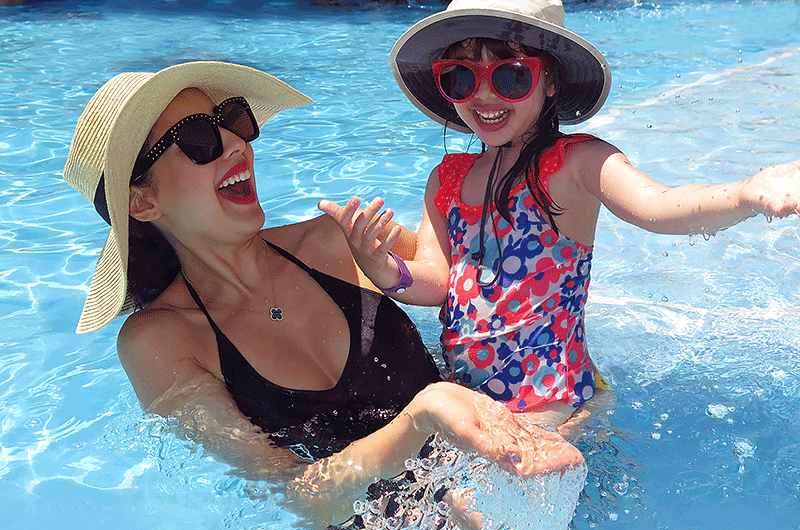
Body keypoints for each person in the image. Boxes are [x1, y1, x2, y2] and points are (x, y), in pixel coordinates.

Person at [62, 60, 585, 530]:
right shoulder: (161, 339)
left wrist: (575, 398)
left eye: (233, 120)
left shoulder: (334, 239)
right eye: (199, 137)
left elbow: (498, 277)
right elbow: (297, 497)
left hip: (513, 470)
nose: (236, 144)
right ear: (142, 201)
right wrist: (425, 413)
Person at [319, 0, 800, 431]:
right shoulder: (445, 179)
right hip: (470, 388)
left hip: (550, 394)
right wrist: (386, 269)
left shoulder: (574, 164)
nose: (484, 96)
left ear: (549, 79)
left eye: (510, 76)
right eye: (461, 77)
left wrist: (744, 194)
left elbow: (659, 207)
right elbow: (439, 280)